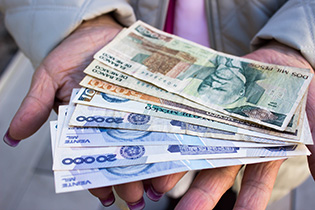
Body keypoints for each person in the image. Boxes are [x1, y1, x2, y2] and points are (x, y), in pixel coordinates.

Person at [1, 0, 315, 210]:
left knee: (228, 194)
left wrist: (304, 40)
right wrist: (82, 16)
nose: (214, 82)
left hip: (254, 152)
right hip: (130, 79)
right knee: (140, 182)